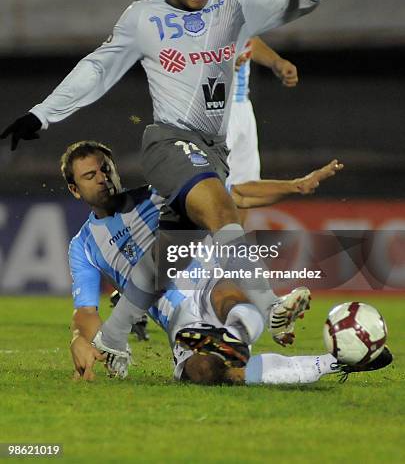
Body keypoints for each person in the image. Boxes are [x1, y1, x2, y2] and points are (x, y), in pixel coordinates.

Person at [2, 0, 341, 341]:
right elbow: (98, 68)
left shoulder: (234, 3)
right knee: (220, 207)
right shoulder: (143, 18)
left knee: (165, 260)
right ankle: (270, 305)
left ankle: (113, 336)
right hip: (169, 142)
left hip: (214, 149)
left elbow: (285, 3)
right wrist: (42, 114)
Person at [64, 140, 344, 380]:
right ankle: (328, 361)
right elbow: (86, 311)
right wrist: (81, 340)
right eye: (90, 176)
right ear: (75, 189)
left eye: (106, 169)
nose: (102, 178)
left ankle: (251, 325)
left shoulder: (159, 194)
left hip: (211, 284)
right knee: (207, 372)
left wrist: (297, 186)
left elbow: (234, 194)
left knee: (231, 293)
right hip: (178, 318)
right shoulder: (83, 246)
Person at [200, 0, 299, 185]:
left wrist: (276, 62)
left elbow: (247, 37)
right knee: (213, 197)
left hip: (242, 103)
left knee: (244, 193)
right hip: (212, 105)